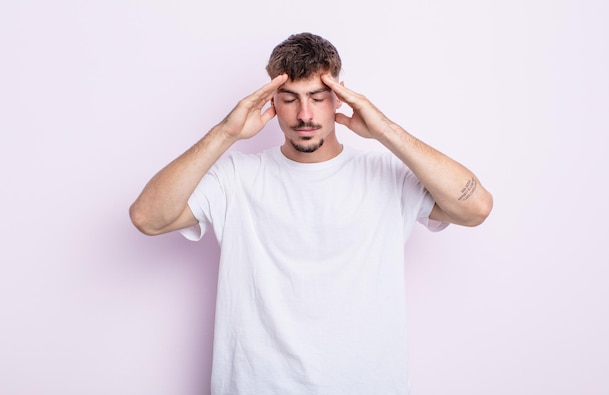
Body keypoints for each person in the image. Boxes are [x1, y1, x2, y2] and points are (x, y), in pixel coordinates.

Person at [130, 32, 492, 395]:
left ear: (339, 97)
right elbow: (148, 217)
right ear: (272, 101)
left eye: (318, 98)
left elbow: (475, 208)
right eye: (290, 99)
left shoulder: (387, 175)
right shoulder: (236, 178)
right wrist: (225, 133)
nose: (305, 115)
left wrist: (385, 131)